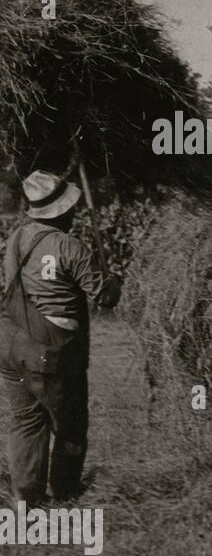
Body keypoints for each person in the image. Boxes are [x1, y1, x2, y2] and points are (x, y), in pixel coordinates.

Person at [0, 169, 121, 506]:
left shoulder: (16, 238)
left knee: (26, 420)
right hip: (51, 350)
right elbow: (105, 298)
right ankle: (64, 491)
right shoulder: (71, 246)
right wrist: (111, 281)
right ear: (63, 211)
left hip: (10, 343)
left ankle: (26, 496)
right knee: (70, 423)